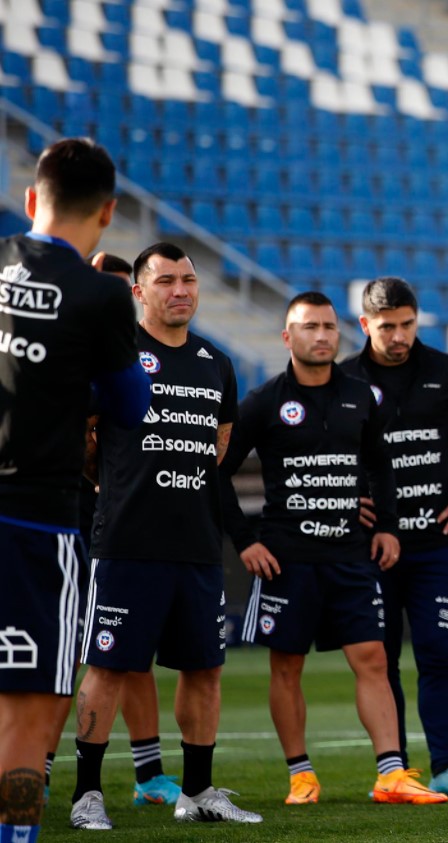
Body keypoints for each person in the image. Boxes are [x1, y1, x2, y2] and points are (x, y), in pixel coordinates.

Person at [219, 291, 445, 806]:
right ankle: (301, 776)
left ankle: (390, 774)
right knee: (286, 666)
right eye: (308, 327)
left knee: (372, 658)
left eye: (327, 327)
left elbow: (381, 464)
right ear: (287, 337)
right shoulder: (264, 401)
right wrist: (245, 540)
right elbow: (217, 475)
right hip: (286, 559)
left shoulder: (359, 395)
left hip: (350, 554)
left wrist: (386, 526)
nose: (321, 336)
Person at [70, 243, 262, 828]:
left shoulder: (217, 362)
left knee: (204, 669)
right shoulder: (116, 358)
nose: (180, 290)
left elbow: (219, 446)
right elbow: (85, 440)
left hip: (198, 544)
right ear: (139, 292)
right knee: (108, 666)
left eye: (188, 280)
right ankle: (86, 794)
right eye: (166, 281)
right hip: (128, 540)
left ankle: (198, 793)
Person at [0, 138, 150, 843]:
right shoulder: (100, 293)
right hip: (38, 523)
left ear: (32, 199)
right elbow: (129, 405)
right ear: (109, 212)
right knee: (30, 707)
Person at [340, 277, 448, 798]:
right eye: (387, 327)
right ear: (365, 325)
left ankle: (446, 767)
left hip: (433, 545)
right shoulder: (345, 379)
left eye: (407, 324)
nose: (399, 335)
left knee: (436, 654)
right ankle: (396, 769)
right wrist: (346, 501)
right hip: (372, 549)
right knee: (381, 662)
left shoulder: (445, 370)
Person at [42, 253, 179, 810]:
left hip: (119, 519)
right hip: (55, 514)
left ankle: (148, 773)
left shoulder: (137, 357)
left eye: (123, 291)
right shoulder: (69, 350)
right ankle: (39, 766)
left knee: (131, 651)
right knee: (63, 651)